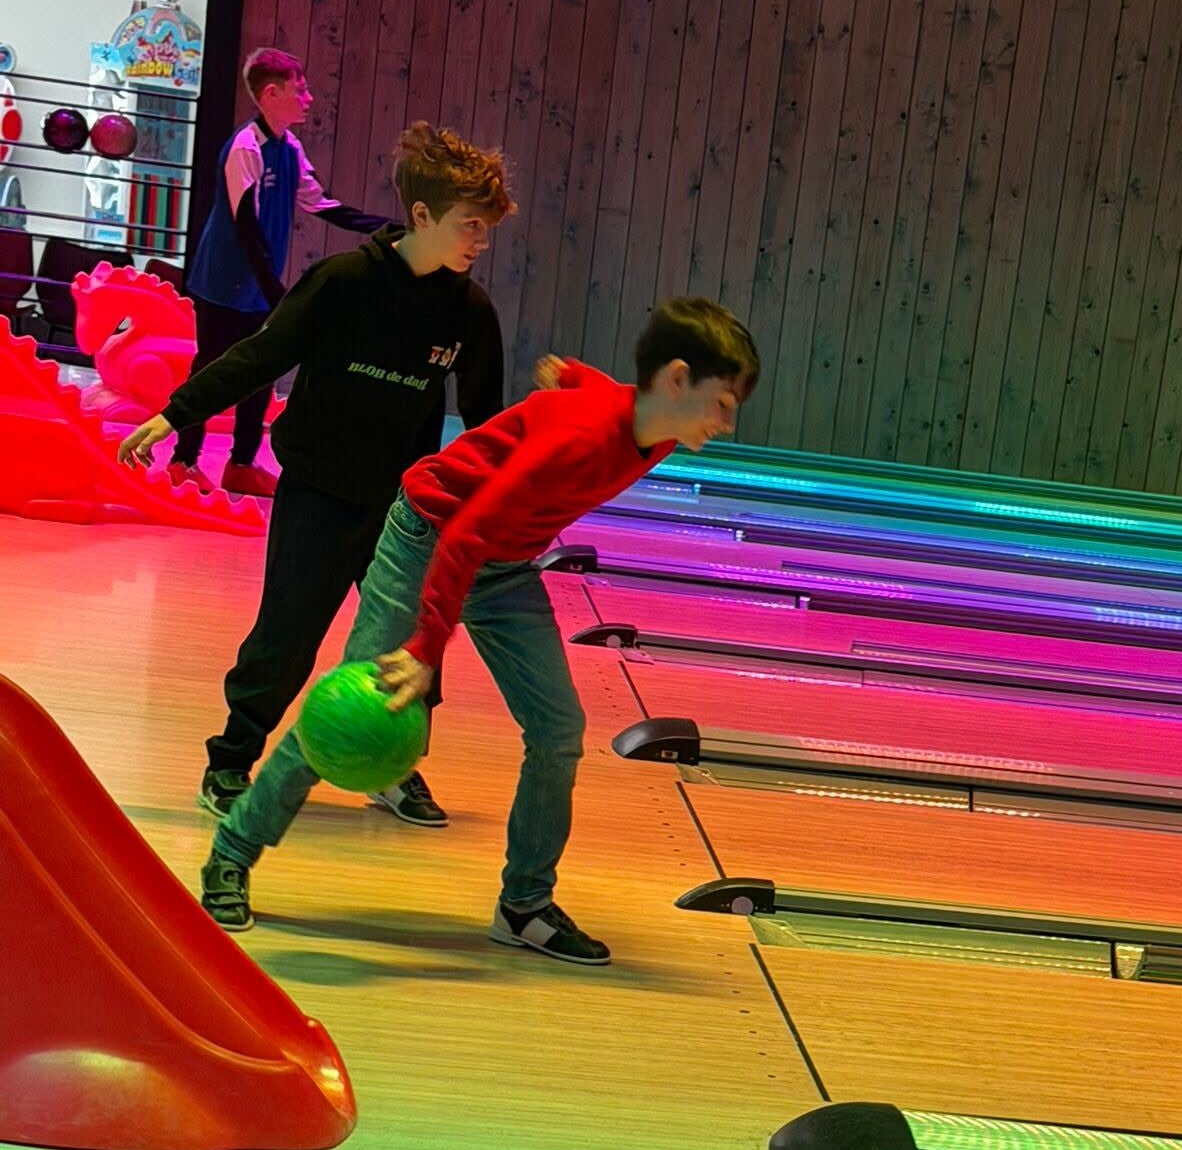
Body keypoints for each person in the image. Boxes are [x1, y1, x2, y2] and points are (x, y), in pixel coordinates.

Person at [198, 297, 760, 963]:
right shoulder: (579, 439)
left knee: (558, 731)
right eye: (722, 403)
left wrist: (568, 373)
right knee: (354, 704)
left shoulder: (655, 424)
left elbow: (597, 388)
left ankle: (524, 904)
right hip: (430, 535)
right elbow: (464, 534)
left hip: (506, 565)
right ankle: (231, 853)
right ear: (676, 378)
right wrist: (424, 650)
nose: (727, 423)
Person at [121, 123, 510, 828]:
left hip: (405, 509)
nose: (482, 241)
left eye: (488, 228)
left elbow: (487, 422)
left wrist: (496, 506)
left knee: (409, 646)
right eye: (471, 225)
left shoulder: (470, 312)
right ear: (423, 215)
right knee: (287, 636)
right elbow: (260, 356)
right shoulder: (343, 282)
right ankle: (231, 760)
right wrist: (176, 414)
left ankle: (393, 767)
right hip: (317, 494)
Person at [170, 47, 399, 498]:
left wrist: (385, 227)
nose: (309, 98)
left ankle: (241, 464)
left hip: (260, 286)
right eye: (301, 89)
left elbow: (322, 203)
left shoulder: (289, 147)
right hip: (222, 282)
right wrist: (278, 294)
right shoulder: (245, 148)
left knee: (262, 372)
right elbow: (246, 228)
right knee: (210, 368)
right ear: (271, 95)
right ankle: (183, 460)